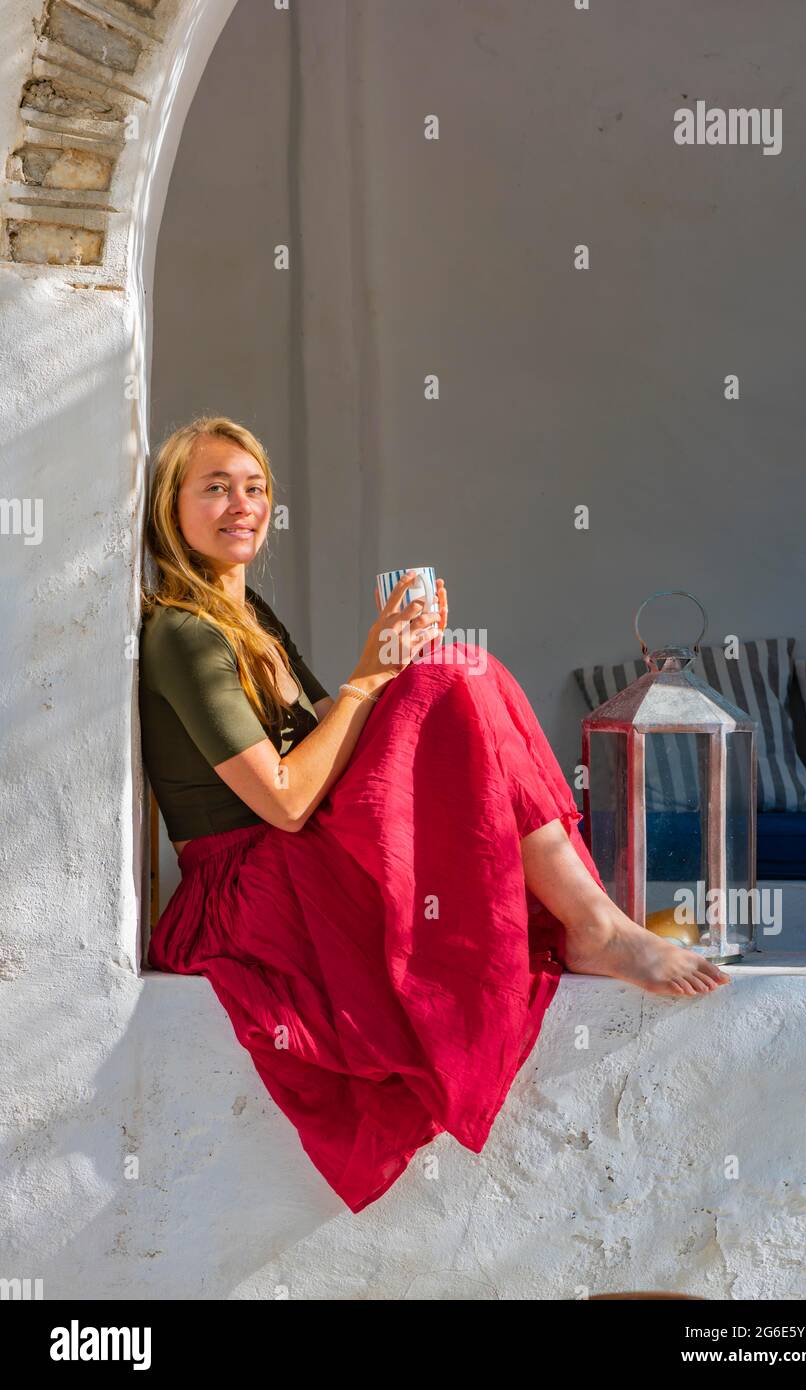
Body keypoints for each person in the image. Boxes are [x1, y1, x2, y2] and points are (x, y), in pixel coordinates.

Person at [139, 415, 731, 1214]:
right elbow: (283, 800)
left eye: (255, 488)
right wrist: (367, 680)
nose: (240, 504)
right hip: (250, 888)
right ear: (169, 508)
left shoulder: (255, 621)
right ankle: (594, 925)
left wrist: (394, 667)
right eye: (213, 487)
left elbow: (336, 746)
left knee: (454, 669)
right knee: (453, 676)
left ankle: (593, 922)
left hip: (292, 853)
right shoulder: (183, 631)